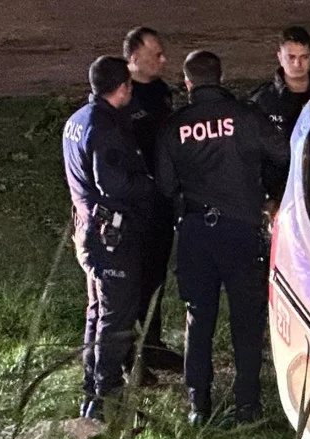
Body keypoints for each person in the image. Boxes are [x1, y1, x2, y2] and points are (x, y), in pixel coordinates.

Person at [155, 50, 290, 425]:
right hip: (241, 231)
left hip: (196, 233)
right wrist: (265, 190)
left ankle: (198, 406)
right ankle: (248, 404)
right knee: (246, 319)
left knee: (199, 319)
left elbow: (165, 184)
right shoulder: (245, 117)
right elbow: (283, 152)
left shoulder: (174, 125)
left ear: (187, 83)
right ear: (221, 76)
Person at [61, 56, 154, 420]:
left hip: (86, 231)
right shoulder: (106, 128)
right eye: (130, 85)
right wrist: (149, 185)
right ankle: (106, 399)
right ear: (122, 88)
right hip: (110, 236)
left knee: (97, 312)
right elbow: (113, 183)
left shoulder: (77, 120)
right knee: (115, 319)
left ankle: (91, 390)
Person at [123, 26, 184, 374]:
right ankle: (128, 355)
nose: (164, 60)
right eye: (155, 54)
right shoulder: (121, 96)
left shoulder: (160, 91)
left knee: (156, 276)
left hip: (162, 200)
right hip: (134, 206)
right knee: (133, 279)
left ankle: (152, 344)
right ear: (134, 58)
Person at [249, 26, 310, 139]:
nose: (297, 64)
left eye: (304, 57)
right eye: (291, 57)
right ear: (280, 57)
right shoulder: (263, 101)